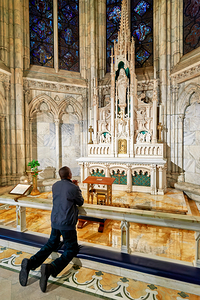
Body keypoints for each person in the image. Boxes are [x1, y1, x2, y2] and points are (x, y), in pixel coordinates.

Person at [19, 166, 84, 293]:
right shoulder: (73, 187)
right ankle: (51, 268)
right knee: (71, 249)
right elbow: (80, 202)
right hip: (67, 224)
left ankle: (30, 263)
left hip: (55, 221)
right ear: (70, 175)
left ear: (60, 176)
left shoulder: (55, 185)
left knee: (51, 243)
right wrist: (77, 187)